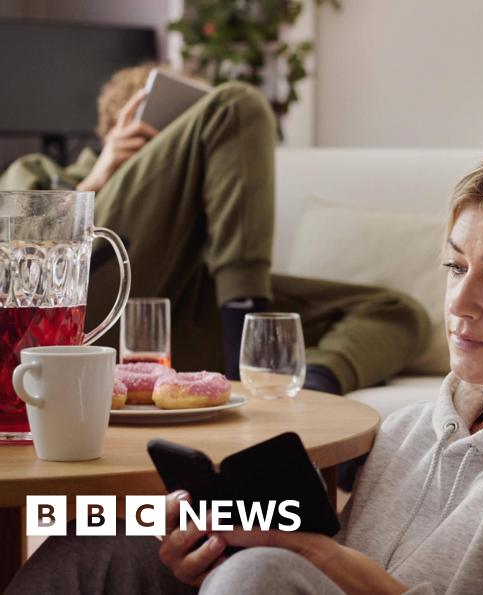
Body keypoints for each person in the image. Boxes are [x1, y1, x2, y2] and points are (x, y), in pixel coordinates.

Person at [9, 127, 483, 594]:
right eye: (454, 266)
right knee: (89, 546)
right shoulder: (412, 430)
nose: (459, 304)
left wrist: (325, 563)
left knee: (259, 578)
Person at [0, 64, 430, 394]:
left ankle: (300, 380)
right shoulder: (40, 170)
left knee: (398, 311)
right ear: (112, 127)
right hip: (77, 300)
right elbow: (18, 250)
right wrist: (98, 177)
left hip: (184, 306)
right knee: (237, 103)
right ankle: (251, 340)